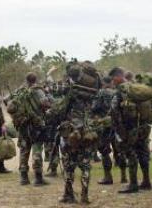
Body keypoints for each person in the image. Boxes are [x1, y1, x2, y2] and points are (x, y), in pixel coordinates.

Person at [55, 61, 100, 204]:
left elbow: (61, 109)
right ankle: (85, 196)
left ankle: (69, 195)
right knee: (86, 165)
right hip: (88, 131)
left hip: (71, 131)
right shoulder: (93, 92)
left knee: (69, 165)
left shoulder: (72, 91)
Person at [110, 67, 152, 194]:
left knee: (131, 153)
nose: (113, 82)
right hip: (144, 126)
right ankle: (146, 181)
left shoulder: (121, 91)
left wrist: (119, 130)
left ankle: (133, 184)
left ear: (118, 77)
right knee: (143, 151)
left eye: (113, 79)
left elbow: (114, 112)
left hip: (130, 128)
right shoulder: (138, 87)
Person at [92, 76, 127, 185]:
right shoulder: (117, 92)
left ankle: (108, 177)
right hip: (116, 124)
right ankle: (123, 176)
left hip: (104, 125)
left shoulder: (101, 92)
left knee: (105, 151)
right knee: (119, 150)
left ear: (103, 82)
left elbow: (94, 107)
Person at [18, 73, 51, 185]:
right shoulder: (38, 91)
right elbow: (46, 104)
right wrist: (47, 95)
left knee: (24, 151)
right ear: (35, 80)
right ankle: (38, 178)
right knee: (37, 150)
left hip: (23, 125)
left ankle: (23, 177)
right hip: (36, 125)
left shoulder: (20, 91)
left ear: (26, 80)